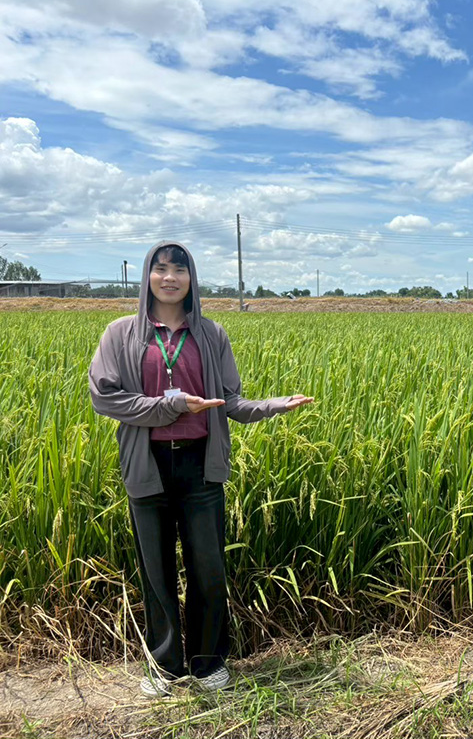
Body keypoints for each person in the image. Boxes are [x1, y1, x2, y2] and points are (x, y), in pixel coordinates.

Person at [89, 241, 313, 697]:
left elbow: (229, 401)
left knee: (208, 568)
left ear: (192, 279)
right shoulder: (121, 334)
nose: (169, 277)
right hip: (147, 465)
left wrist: (273, 405)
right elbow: (105, 397)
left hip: (201, 466)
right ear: (146, 276)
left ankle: (209, 663)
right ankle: (165, 667)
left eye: (179, 269)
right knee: (157, 571)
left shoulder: (211, 334)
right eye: (160, 268)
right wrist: (170, 405)